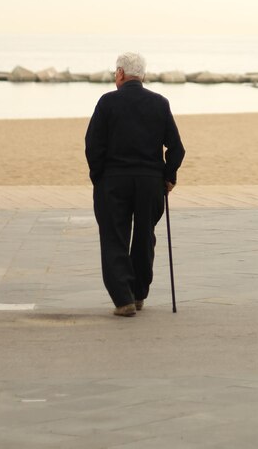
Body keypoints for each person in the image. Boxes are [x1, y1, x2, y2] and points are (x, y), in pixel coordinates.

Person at [85, 52, 185, 317]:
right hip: (149, 182)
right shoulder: (160, 103)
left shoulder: (107, 102)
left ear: (119, 74)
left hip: (114, 181)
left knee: (114, 237)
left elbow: (93, 145)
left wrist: (98, 177)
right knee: (144, 237)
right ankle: (139, 293)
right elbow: (176, 148)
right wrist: (168, 176)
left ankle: (123, 298)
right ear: (143, 75)